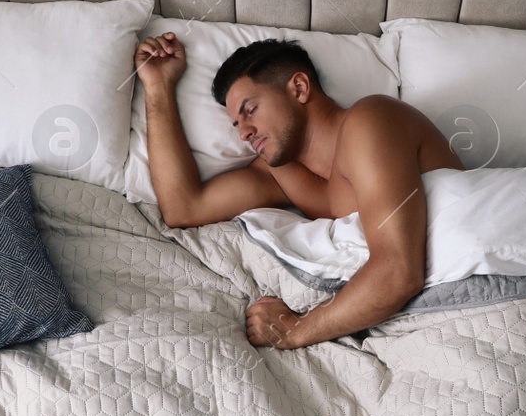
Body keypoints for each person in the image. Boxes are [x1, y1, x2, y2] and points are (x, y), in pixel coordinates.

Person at [135, 34, 462, 349]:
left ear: (300, 88)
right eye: (237, 125)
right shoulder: (285, 176)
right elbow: (183, 209)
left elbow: (399, 272)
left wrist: (295, 330)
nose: (245, 133)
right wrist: (158, 87)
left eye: (250, 110)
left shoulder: (372, 119)